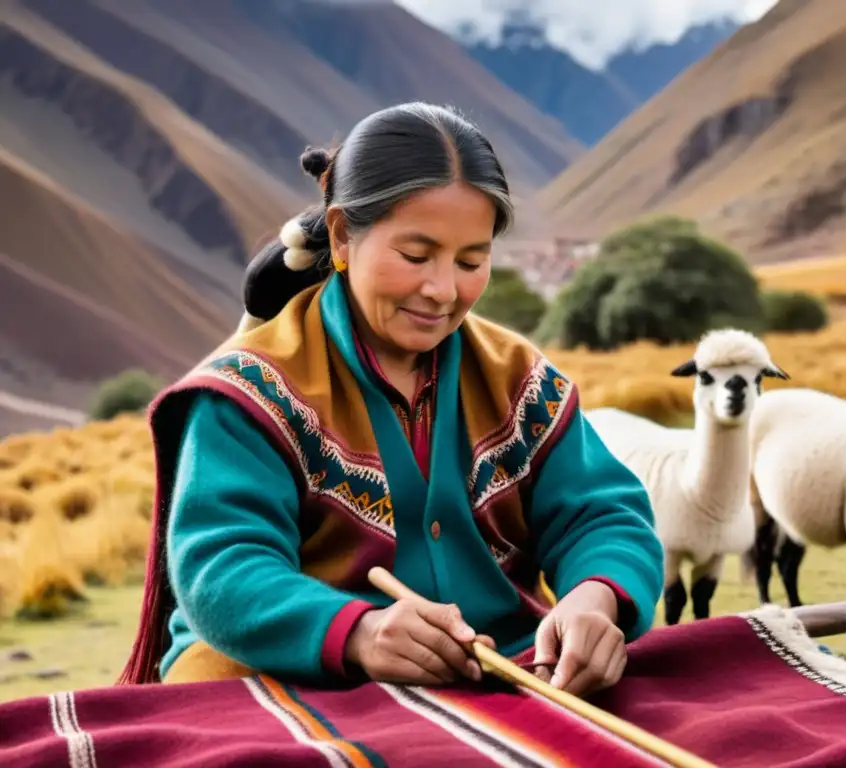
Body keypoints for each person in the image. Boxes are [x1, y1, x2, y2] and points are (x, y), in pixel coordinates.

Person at [119, 102, 664, 698]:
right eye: (415, 255)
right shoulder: (250, 394)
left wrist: (594, 598)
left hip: (496, 669)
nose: (442, 290)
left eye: (471, 261)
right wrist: (359, 634)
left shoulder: (520, 380)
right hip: (283, 682)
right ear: (341, 235)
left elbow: (603, 514)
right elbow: (222, 567)